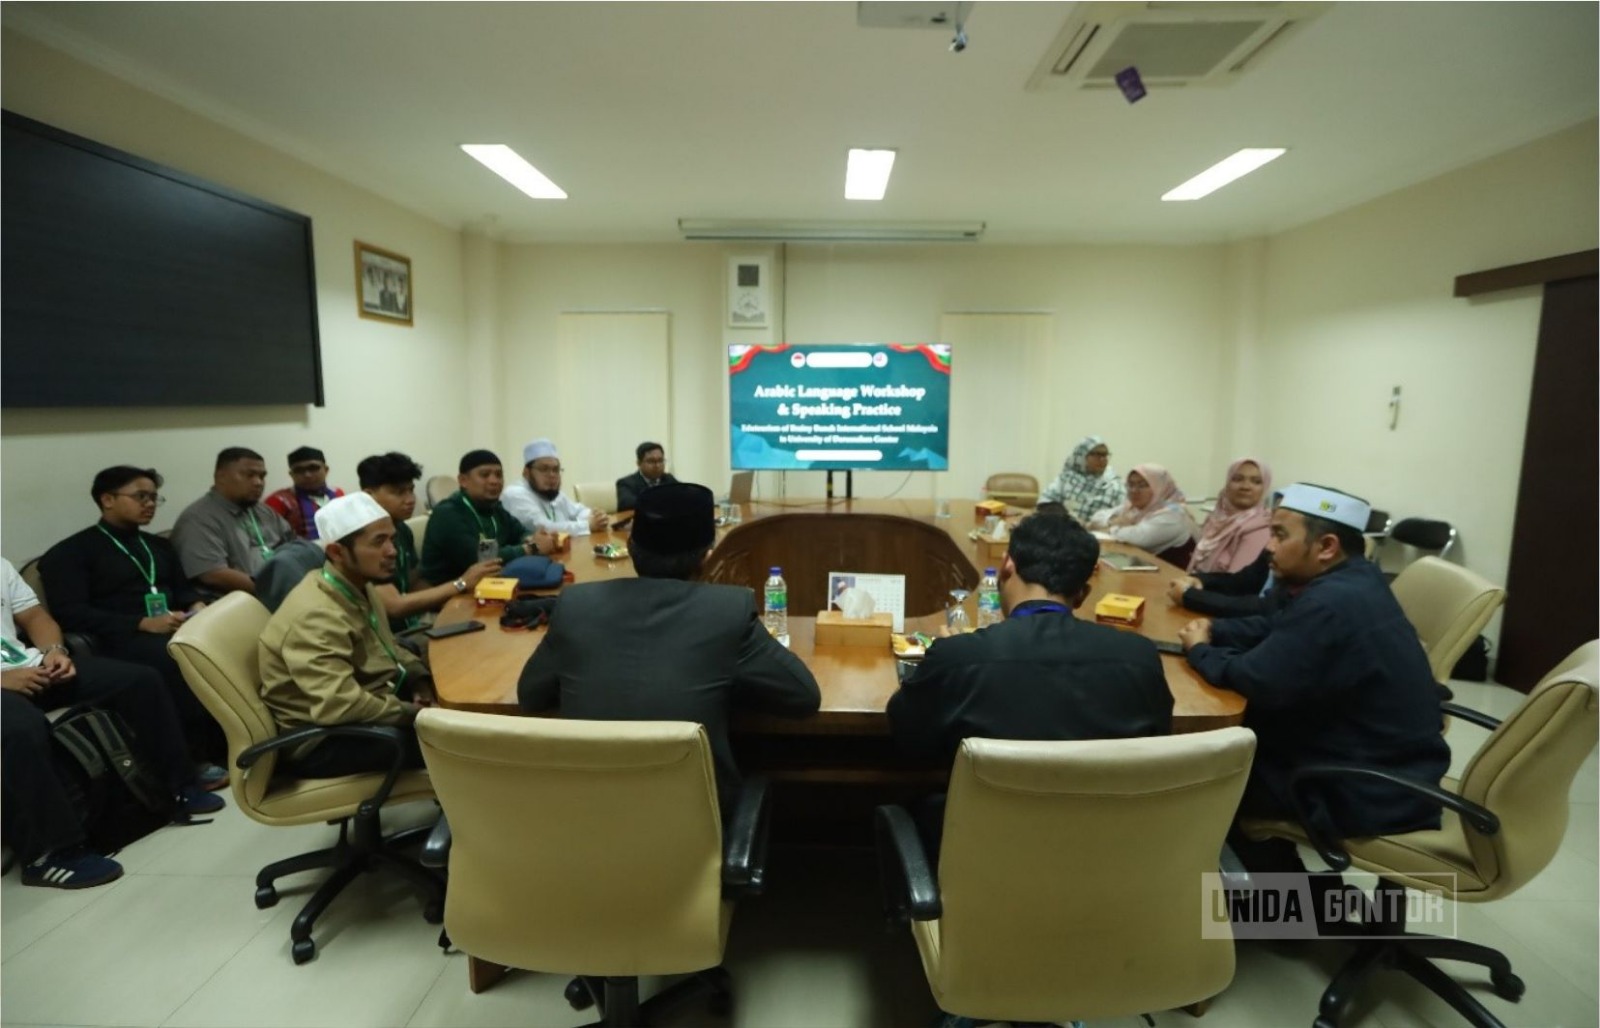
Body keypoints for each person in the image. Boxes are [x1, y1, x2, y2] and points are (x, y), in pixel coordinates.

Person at [1178, 483, 1450, 864]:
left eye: (1280, 535)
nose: (1269, 547)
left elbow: (1258, 680)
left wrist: (1202, 652)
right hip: (1393, 764)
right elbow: (1278, 626)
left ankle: (1290, 918)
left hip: (1368, 786)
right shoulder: (1357, 578)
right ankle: (1296, 908)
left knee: (1209, 781)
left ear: (1326, 547)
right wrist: (1215, 630)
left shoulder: (1330, 602)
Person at [518, 482, 820, 811]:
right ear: (708, 557)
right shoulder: (728, 611)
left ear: (631, 549)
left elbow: (531, 696)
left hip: (582, 826)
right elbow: (803, 697)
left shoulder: (576, 605)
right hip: (694, 837)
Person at [887, 513, 1171, 853]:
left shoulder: (959, 656)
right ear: (1082, 594)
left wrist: (936, 663)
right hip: (1108, 854)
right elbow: (1158, 740)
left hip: (985, 855)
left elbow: (908, 738)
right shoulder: (1139, 657)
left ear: (1007, 566)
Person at [3, 558, 224, 888]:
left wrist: (53, 651)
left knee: (139, 681)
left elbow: (36, 618)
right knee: (20, 729)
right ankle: (51, 854)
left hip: (31, 666)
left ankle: (180, 787)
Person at [39, 466, 229, 787]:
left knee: (226, 640)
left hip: (176, 625)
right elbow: (71, 613)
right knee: (171, 658)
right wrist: (141, 622)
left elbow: (182, 591)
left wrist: (197, 607)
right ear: (108, 499)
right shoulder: (70, 553)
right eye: (141, 496)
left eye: (154, 497)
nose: (150, 504)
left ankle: (242, 738)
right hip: (119, 638)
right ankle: (192, 759)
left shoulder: (158, 546)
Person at [258, 494, 431, 777]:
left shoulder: (359, 583)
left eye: (392, 539)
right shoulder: (316, 614)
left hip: (364, 706)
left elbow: (388, 648)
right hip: (323, 741)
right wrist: (412, 713)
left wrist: (419, 681)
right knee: (455, 742)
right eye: (378, 542)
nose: (392, 551)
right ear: (337, 552)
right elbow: (339, 705)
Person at [358, 452, 499, 631]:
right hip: (385, 636)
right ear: (368, 495)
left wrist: (457, 604)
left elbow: (414, 583)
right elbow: (395, 606)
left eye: (411, 490)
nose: (410, 499)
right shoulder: (363, 541)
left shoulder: (402, 530)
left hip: (414, 623)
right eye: (399, 492)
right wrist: (461, 583)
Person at [418, 449, 560, 590]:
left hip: (489, 586)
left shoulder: (494, 507)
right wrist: (532, 547)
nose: (494, 481)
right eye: (485, 475)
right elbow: (482, 560)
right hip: (449, 598)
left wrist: (532, 539)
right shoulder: (448, 513)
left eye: (498, 475)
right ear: (463, 481)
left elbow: (520, 532)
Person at [171, 447, 295, 597]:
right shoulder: (198, 518)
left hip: (279, 592)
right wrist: (276, 590)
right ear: (221, 477)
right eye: (249, 475)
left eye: (262, 476)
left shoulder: (264, 511)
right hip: (235, 603)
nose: (258, 483)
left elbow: (292, 545)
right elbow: (214, 574)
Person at [1087, 463, 1198, 564]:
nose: (1134, 490)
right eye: (1130, 485)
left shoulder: (1173, 514)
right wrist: (1113, 521)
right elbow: (1097, 517)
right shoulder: (1135, 508)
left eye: (1142, 485)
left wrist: (1109, 529)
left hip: (1175, 578)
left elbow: (1138, 537)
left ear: (1159, 487)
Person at [502, 438, 610, 536]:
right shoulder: (515, 494)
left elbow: (578, 510)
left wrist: (596, 516)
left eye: (556, 469)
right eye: (544, 469)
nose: (552, 475)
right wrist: (587, 525)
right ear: (526, 472)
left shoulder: (553, 493)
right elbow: (544, 529)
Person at [1188, 458, 1272, 574]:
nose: (1245, 487)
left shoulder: (1260, 528)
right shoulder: (1215, 519)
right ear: (1227, 484)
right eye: (1237, 479)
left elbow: (1236, 583)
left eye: (1256, 482)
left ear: (1265, 488)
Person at [1037, 436, 1126, 523]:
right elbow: (1045, 502)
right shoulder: (1065, 479)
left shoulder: (1115, 484)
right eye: (1098, 454)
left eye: (1105, 455)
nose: (1103, 459)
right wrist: (1067, 518)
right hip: (1064, 530)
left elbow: (1124, 515)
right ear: (1082, 456)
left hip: (1099, 534)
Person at [264, 446, 345, 540]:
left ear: (326, 470)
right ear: (291, 474)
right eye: (299, 470)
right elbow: (269, 539)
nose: (307, 474)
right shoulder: (278, 500)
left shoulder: (337, 494)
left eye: (313, 468)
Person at [614, 441, 679, 512]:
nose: (657, 465)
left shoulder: (668, 478)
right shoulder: (626, 483)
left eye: (660, 461)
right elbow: (626, 503)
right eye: (651, 461)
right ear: (638, 463)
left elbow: (684, 494)